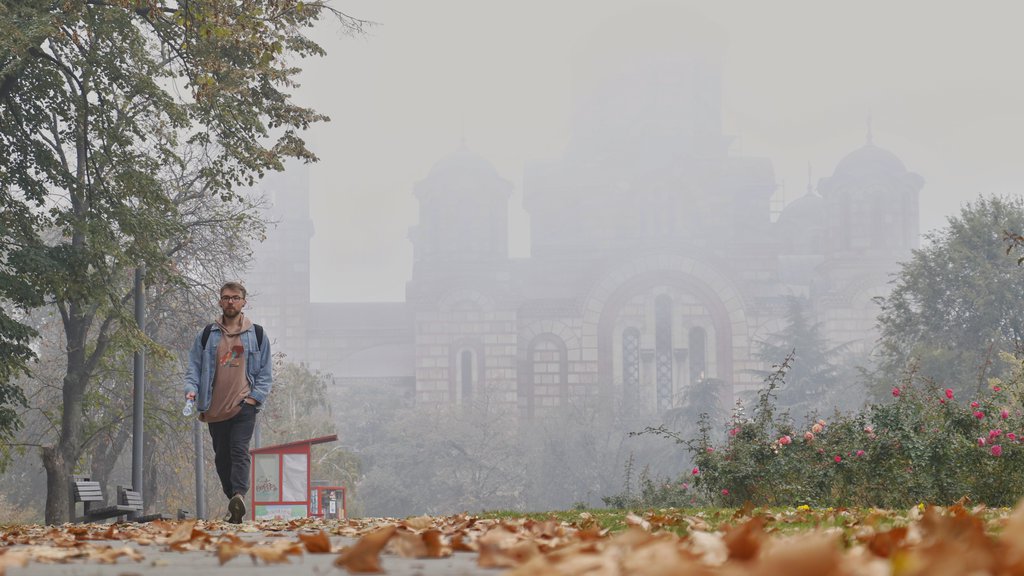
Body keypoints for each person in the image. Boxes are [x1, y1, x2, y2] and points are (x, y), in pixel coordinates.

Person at [183, 282, 272, 523]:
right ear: (220, 302)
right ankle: (234, 501)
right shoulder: (207, 335)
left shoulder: (258, 334)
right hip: (215, 407)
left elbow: (265, 373)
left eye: (235, 297)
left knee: (239, 450)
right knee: (222, 458)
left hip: (244, 405)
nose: (230, 301)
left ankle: (239, 495)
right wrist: (191, 390)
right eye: (226, 298)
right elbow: (194, 368)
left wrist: (254, 399)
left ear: (244, 302)